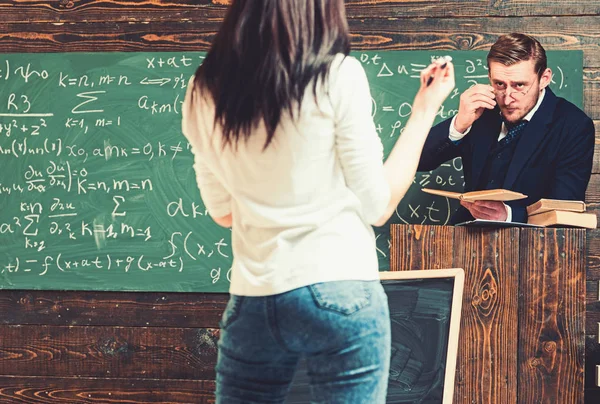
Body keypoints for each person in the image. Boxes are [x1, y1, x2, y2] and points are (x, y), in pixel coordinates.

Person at [181, 1, 454, 402]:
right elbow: (378, 205)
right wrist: (425, 108)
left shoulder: (205, 88)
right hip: (339, 287)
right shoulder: (336, 75)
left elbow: (222, 211)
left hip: (255, 296)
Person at [418, 33, 595, 224]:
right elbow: (418, 161)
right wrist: (459, 124)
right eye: (499, 84)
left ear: (544, 78)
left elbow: (564, 210)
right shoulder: (481, 111)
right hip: (464, 238)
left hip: (532, 247)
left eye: (519, 85)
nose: (507, 98)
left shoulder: (574, 125)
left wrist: (509, 216)